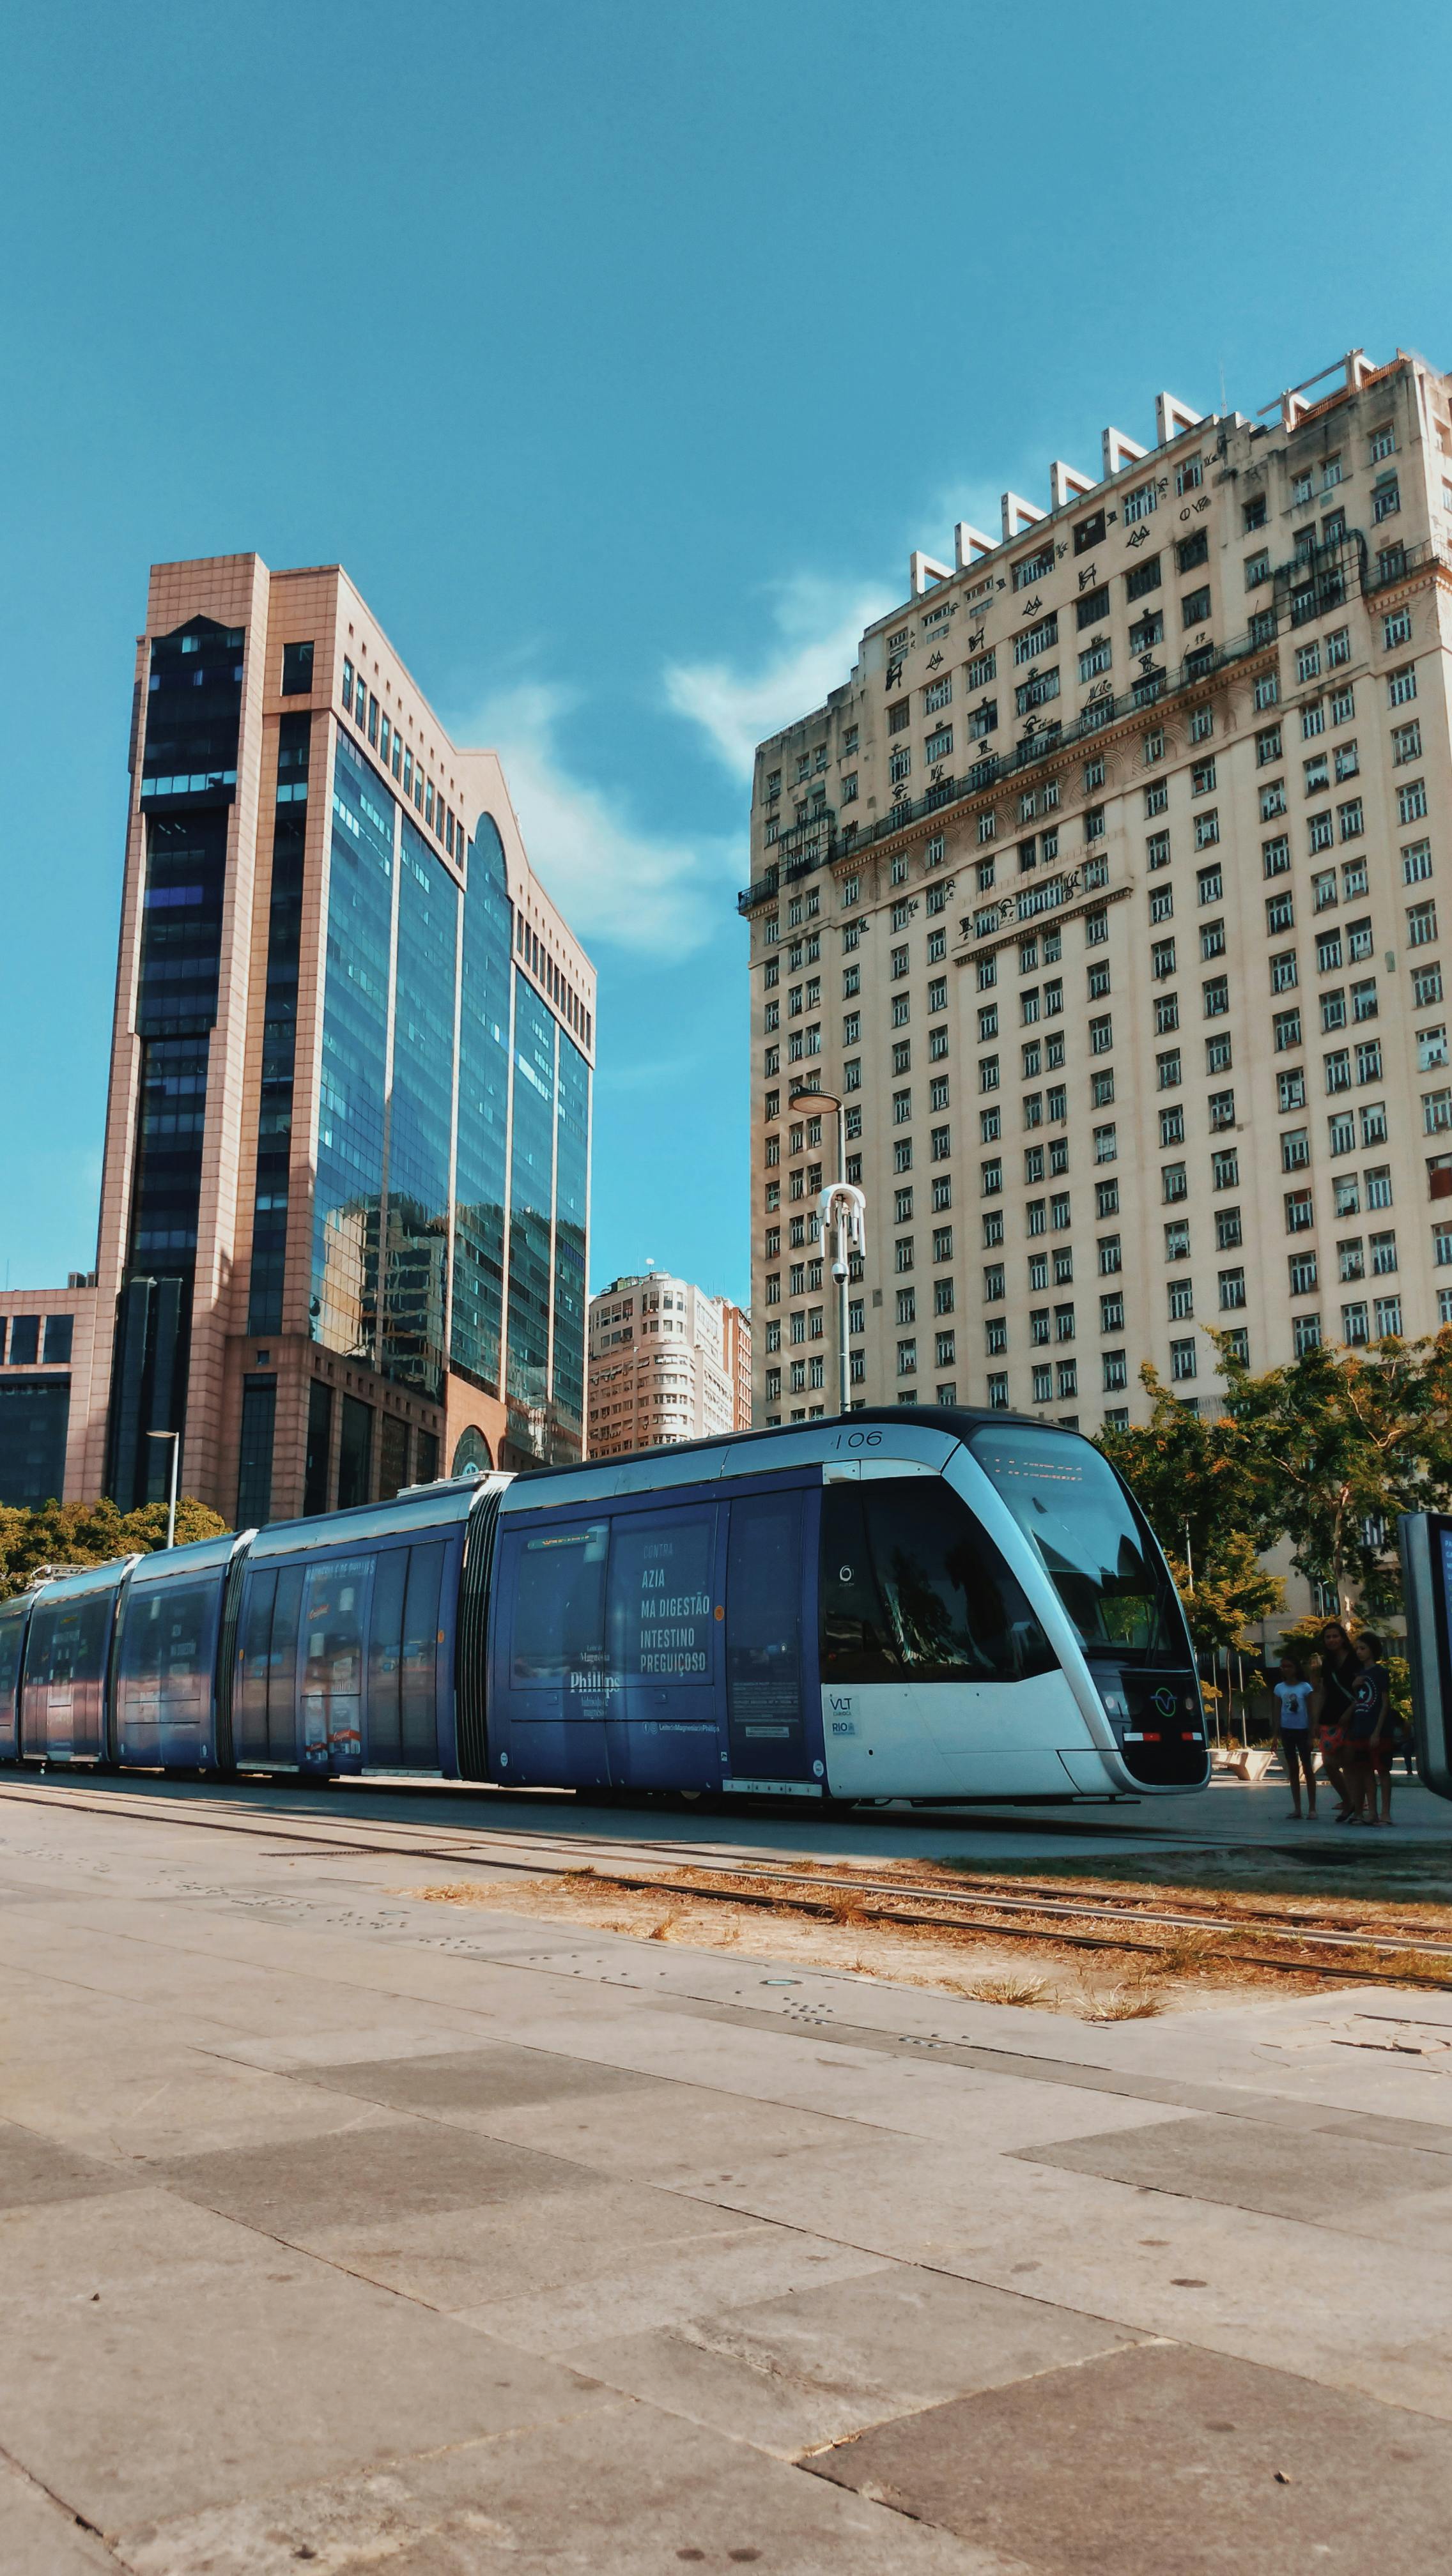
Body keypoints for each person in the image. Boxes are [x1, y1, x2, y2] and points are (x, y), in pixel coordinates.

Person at [1344, 1632, 1391, 1825]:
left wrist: (1377, 1731)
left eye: (1363, 1648)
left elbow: (1385, 1703)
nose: (1359, 1652)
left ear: (1372, 1649)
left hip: (1377, 1729)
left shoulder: (1380, 1673)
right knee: (1365, 1771)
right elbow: (1360, 1701)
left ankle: (1385, 1813)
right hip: (1360, 1728)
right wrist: (1354, 1687)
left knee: (1383, 1770)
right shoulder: (1359, 1675)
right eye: (1357, 1649)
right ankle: (1371, 1812)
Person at [1313, 1621, 1357, 1821]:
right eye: (1328, 1637)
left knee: (1351, 1762)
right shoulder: (1327, 1663)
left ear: (1343, 1638)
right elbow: (1324, 1691)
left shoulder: (1355, 1659)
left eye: (1335, 1636)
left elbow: (1363, 1691)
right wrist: (1315, 1718)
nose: (1331, 1640)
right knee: (1329, 1762)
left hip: (1354, 1716)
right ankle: (1348, 1800)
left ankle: (1357, 1805)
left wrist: (1350, 1711)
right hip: (1331, 1717)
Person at [1272, 1655, 1317, 1818]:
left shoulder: (1305, 1687)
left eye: (1288, 1666)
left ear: (1296, 1668)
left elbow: (1311, 1712)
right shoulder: (1279, 1688)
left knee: (1308, 1769)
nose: (1285, 1669)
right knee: (1293, 1769)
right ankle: (1297, 1808)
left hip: (1303, 1730)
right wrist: (1275, 1735)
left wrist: (1312, 1734)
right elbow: (1277, 1712)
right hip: (1287, 1731)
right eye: (1283, 1666)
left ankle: (1312, 1808)